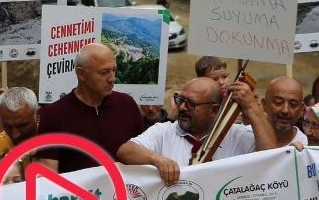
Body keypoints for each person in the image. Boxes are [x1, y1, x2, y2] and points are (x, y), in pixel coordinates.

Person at [117, 75, 274, 185]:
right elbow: (125, 151)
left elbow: (271, 157)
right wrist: (158, 159)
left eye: (191, 103)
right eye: (181, 100)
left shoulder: (237, 134)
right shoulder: (164, 131)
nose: (182, 107)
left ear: (213, 110)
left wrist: (252, 107)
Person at [35, 43, 145, 173]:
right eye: (104, 72)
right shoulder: (53, 116)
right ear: (81, 73)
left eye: (114, 70)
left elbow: (143, 151)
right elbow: (47, 173)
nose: (112, 78)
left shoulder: (127, 104)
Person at [261, 76, 310, 150]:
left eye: (293, 104)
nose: (285, 110)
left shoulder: (305, 146)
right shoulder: (245, 135)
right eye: (278, 102)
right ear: (264, 104)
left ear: (301, 109)